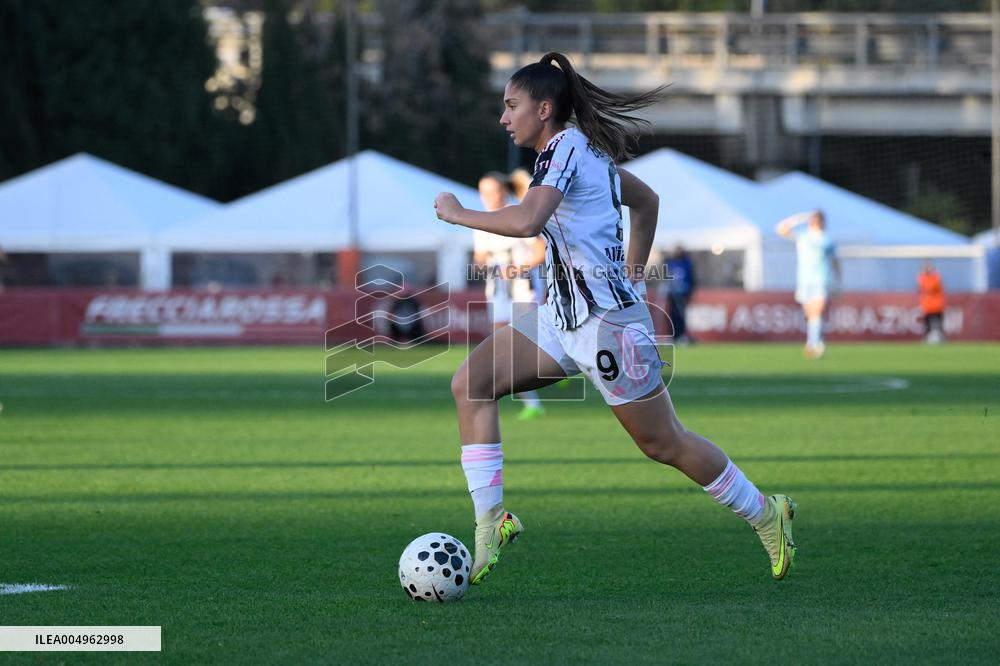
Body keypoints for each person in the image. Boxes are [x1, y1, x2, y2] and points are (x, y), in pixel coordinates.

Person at [434, 52, 795, 586]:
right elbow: (647, 201)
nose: (504, 118)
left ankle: (767, 512)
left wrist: (460, 213)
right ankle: (492, 520)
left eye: (511, 106)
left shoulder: (566, 151)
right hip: (563, 318)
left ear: (545, 107)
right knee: (471, 384)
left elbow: (531, 219)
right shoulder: (576, 154)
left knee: (663, 444)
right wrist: (633, 270)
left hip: (606, 326)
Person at [474, 172, 547, 420]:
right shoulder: (481, 222)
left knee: (522, 345)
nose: (485, 198)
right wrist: (483, 263)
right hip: (498, 293)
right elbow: (480, 257)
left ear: (503, 192)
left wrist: (517, 269)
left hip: (522, 290)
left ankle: (559, 366)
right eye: (482, 192)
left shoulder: (518, 215)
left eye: (490, 192)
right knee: (502, 346)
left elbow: (542, 251)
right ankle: (532, 402)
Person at [775, 209, 839, 359]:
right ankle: (817, 341)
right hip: (804, 280)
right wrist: (799, 218)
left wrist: (837, 282)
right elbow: (780, 229)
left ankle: (813, 344)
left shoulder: (826, 240)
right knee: (810, 315)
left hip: (821, 279)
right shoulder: (803, 236)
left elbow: (835, 261)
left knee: (816, 312)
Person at [665, 245, 696, 344]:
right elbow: (667, 278)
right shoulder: (670, 263)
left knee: (681, 316)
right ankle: (674, 336)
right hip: (673, 293)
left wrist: (689, 293)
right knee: (672, 316)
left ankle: (682, 335)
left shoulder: (687, 263)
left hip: (683, 293)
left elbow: (691, 279)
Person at [917, 261, 945, 344]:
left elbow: (932, 287)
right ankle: (927, 339)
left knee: (938, 324)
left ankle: (941, 339)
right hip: (927, 306)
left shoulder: (936, 277)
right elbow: (921, 285)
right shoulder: (923, 278)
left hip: (937, 306)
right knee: (927, 326)